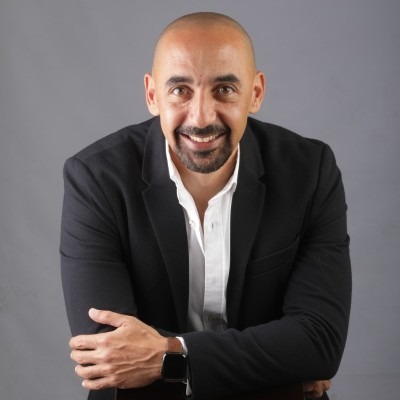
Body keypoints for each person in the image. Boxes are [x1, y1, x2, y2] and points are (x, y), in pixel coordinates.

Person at [60, 12, 351, 400]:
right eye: (180, 90)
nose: (201, 118)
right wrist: (281, 370)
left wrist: (169, 357)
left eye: (224, 89)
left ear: (256, 93)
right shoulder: (95, 179)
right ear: (152, 95)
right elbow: (109, 357)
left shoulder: (310, 172)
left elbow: (319, 343)